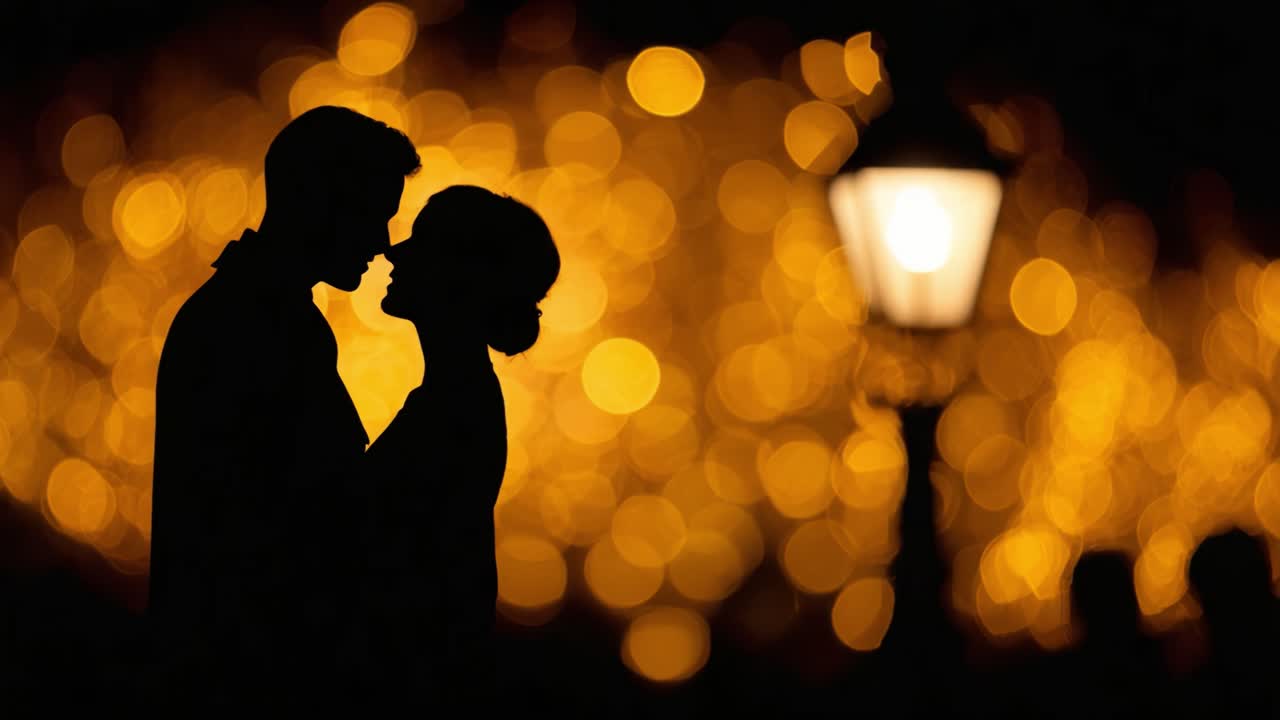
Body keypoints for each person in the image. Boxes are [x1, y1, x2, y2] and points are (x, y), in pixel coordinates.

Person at [148, 106, 420, 712]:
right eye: (371, 216)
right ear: (315, 199)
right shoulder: (261, 323)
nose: (381, 244)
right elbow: (310, 509)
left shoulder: (252, 310)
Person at [364, 184, 560, 713]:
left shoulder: (452, 409)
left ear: (461, 275)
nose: (393, 251)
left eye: (421, 242)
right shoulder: (460, 398)